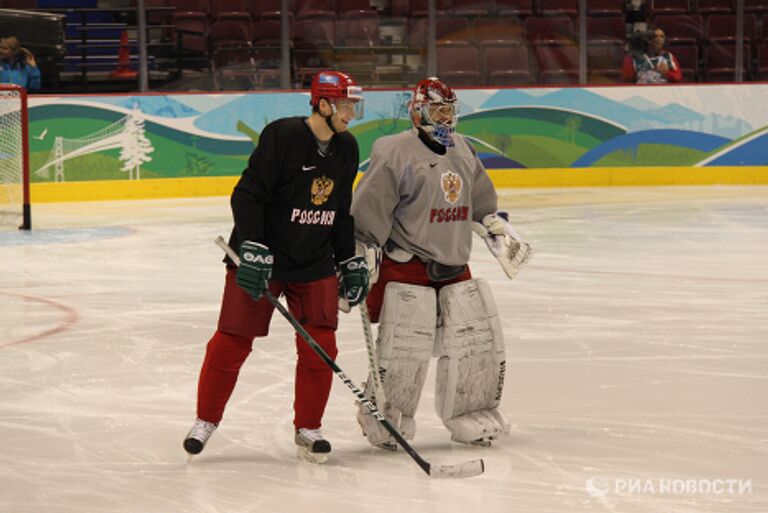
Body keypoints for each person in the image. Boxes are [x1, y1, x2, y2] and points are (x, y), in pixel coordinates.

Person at [183, 70, 369, 464]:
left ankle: (309, 427)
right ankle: (205, 420)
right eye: (347, 105)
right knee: (232, 340)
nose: (352, 114)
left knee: (321, 345)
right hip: (263, 258)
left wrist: (348, 258)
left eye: (354, 105)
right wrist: (252, 247)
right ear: (323, 104)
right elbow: (247, 195)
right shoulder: (283, 136)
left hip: (313, 260)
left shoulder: (348, 148)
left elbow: (339, 212)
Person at [351, 77, 533, 450]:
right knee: (405, 348)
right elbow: (369, 208)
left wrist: (491, 222)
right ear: (417, 112)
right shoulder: (394, 151)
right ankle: (386, 414)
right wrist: (361, 249)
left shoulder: (463, 149)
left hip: (454, 262)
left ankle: (470, 412)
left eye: (448, 109)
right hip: (408, 264)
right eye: (436, 109)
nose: (444, 117)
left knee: (473, 344)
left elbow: (480, 199)